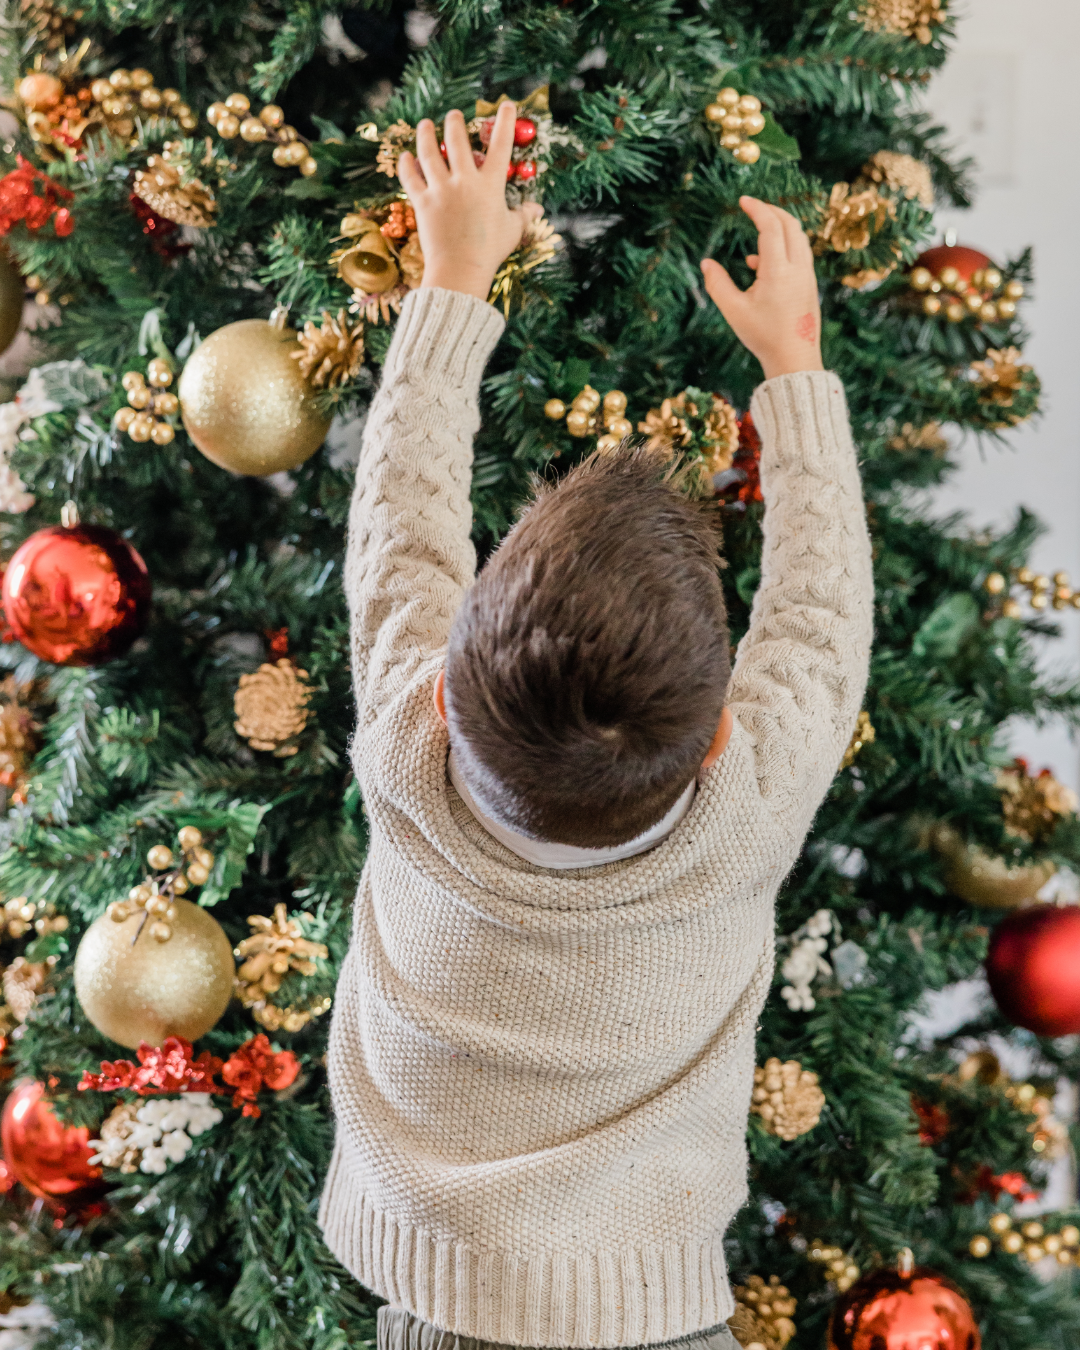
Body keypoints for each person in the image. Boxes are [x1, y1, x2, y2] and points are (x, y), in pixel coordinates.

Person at [320, 99, 873, 1350]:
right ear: (722, 736)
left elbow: (399, 518)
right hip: (660, 1325)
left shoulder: (409, 745)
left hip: (434, 1300)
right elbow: (824, 617)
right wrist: (795, 368)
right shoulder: (746, 810)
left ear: (451, 686)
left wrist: (456, 273)